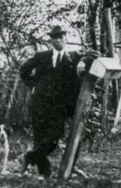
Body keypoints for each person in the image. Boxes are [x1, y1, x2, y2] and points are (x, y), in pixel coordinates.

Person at [18, 24, 85, 179]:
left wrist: (82, 62)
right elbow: (24, 70)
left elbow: (92, 55)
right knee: (40, 138)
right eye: (55, 38)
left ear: (66, 39)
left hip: (59, 106)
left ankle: (27, 158)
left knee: (54, 138)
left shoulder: (74, 57)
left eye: (61, 37)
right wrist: (33, 85)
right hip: (40, 103)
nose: (58, 40)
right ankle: (44, 173)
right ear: (51, 41)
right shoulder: (42, 56)